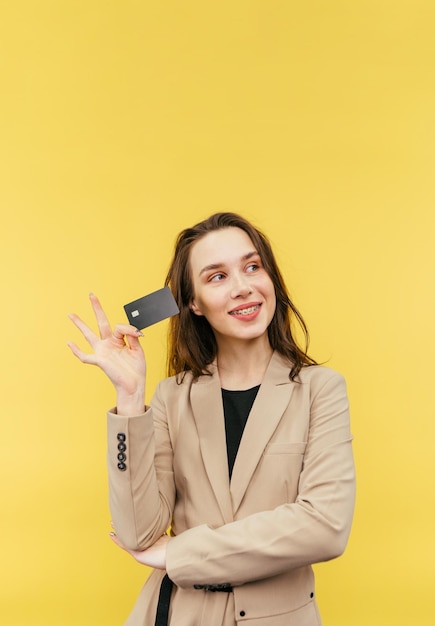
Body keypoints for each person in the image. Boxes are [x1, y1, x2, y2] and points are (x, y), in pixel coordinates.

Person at [68, 212, 355, 626]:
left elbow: (326, 526)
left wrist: (180, 552)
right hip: (174, 613)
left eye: (252, 267)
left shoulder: (320, 390)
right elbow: (137, 535)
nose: (243, 287)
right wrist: (130, 398)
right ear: (193, 302)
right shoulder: (171, 396)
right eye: (217, 277)